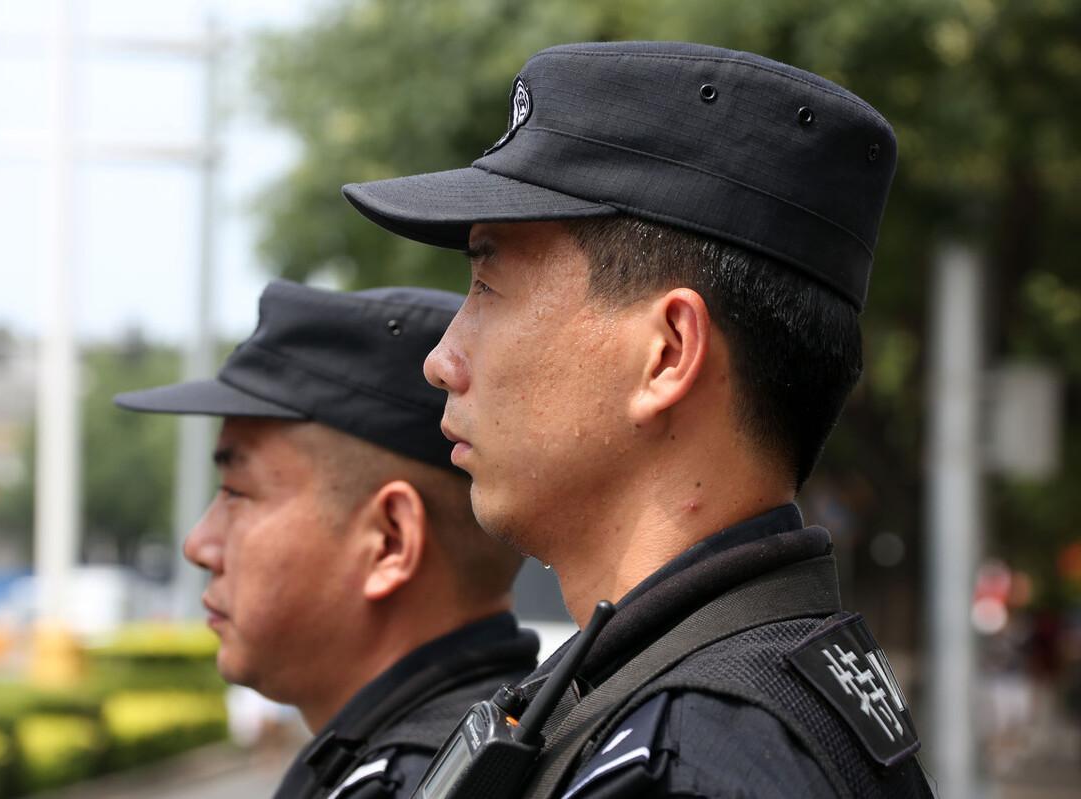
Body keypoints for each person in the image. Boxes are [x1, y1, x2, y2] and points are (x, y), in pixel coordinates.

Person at [342, 42, 933, 797]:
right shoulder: (715, 694)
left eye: (488, 286)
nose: (442, 360)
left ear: (666, 354)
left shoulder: (689, 764)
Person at [115, 280, 537, 799]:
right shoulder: (495, 747)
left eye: (237, 492)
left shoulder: (411, 784)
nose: (198, 546)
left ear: (389, 541)